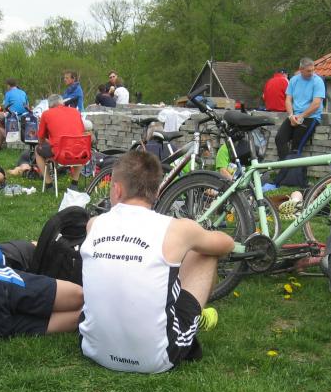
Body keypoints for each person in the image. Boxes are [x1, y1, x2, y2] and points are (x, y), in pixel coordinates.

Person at [79, 151, 235, 374]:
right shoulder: (177, 229)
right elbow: (226, 244)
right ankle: (194, 318)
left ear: (117, 190)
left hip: (93, 349)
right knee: (206, 253)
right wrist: (196, 237)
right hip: (156, 359)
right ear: (157, 192)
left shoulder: (94, 224)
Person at [274, 58, 326, 180]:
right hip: (295, 115)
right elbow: (288, 100)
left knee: (296, 146)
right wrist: (291, 116)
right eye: (308, 71)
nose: (311, 73)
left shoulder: (318, 81)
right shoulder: (294, 80)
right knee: (279, 139)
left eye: (313, 70)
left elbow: (316, 104)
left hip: (310, 117)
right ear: (301, 70)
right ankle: (286, 171)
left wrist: (301, 116)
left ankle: (292, 178)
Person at [35, 94, 86, 189]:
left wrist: (48, 141)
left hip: (61, 154)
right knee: (78, 147)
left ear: (49, 105)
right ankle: (74, 183)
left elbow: (41, 138)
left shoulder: (46, 114)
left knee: (37, 150)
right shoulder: (75, 111)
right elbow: (82, 131)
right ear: (62, 102)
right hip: (82, 153)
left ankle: (49, 184)